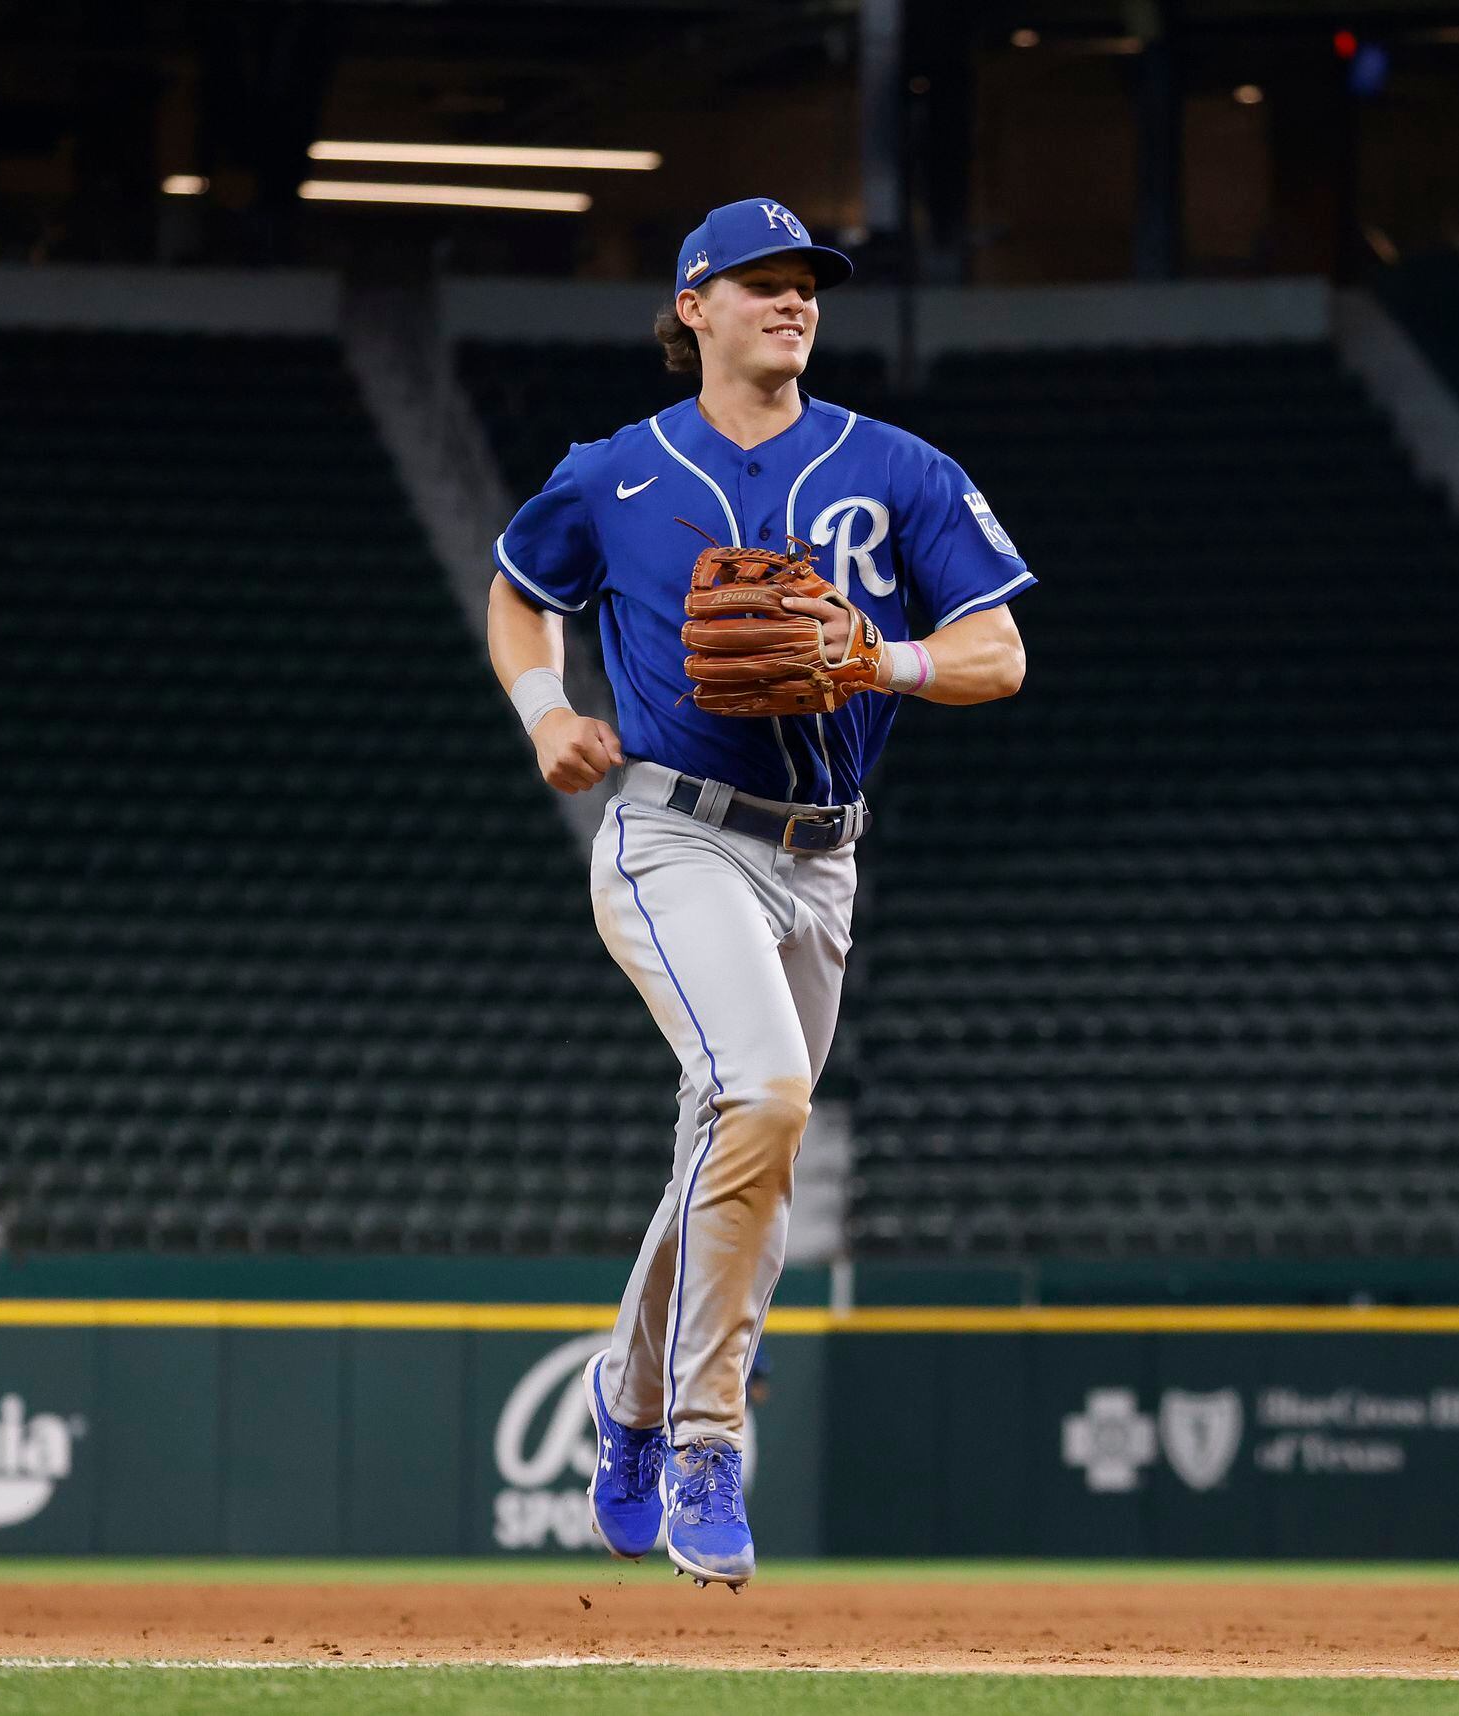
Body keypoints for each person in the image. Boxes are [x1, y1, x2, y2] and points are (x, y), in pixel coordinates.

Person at [485, 197, 1032, 1586]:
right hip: (674, 834)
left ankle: (629, 1393)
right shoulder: (611, 473)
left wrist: (880, 657)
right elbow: (518, 590)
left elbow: (998, 653)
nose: (793, 303)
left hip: (822, 856)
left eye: (807, 286)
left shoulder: (897, 469)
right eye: (761, 283)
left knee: (743, 1138)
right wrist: (548, 710)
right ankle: (708, 1441)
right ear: (694, 308)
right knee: (772, 1096)